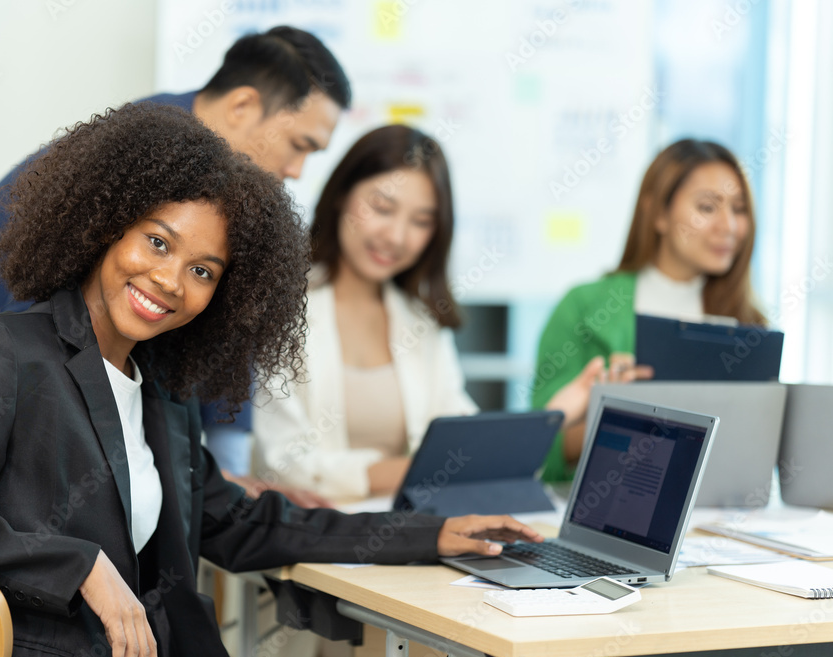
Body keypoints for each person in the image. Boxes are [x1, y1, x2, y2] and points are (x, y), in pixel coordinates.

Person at [0, 105, 543, 657]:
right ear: (104, 224)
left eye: (204, 270)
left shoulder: (165, 392)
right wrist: (78, 564)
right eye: (157, 242)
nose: (170, 282)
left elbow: (242, 523)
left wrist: (431, 533)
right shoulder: (6, 354)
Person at [0, 25, 347, 507]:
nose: (298, 171)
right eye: (300, 145)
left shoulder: (222, 186)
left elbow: (229, 322)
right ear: (242, 106)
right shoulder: (145, 155)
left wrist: (226, 467)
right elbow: (45, 326)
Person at [253, 125, 605, 500]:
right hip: (310, 538)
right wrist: (424, 469)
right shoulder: (279, 307)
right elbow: (286, 467)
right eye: (382, 208)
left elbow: (465, 441)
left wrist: (554, 416)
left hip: (406, 535)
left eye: (421, 221)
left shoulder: (420, 322)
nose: (397, 236)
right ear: (341, 194)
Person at [532, 138, 766, 482]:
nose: (728, 226)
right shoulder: (583, 307)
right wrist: (616, 423)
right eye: (707, 207)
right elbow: (538, 448)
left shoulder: (749, 324)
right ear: (659, 213)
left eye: (739, 208)